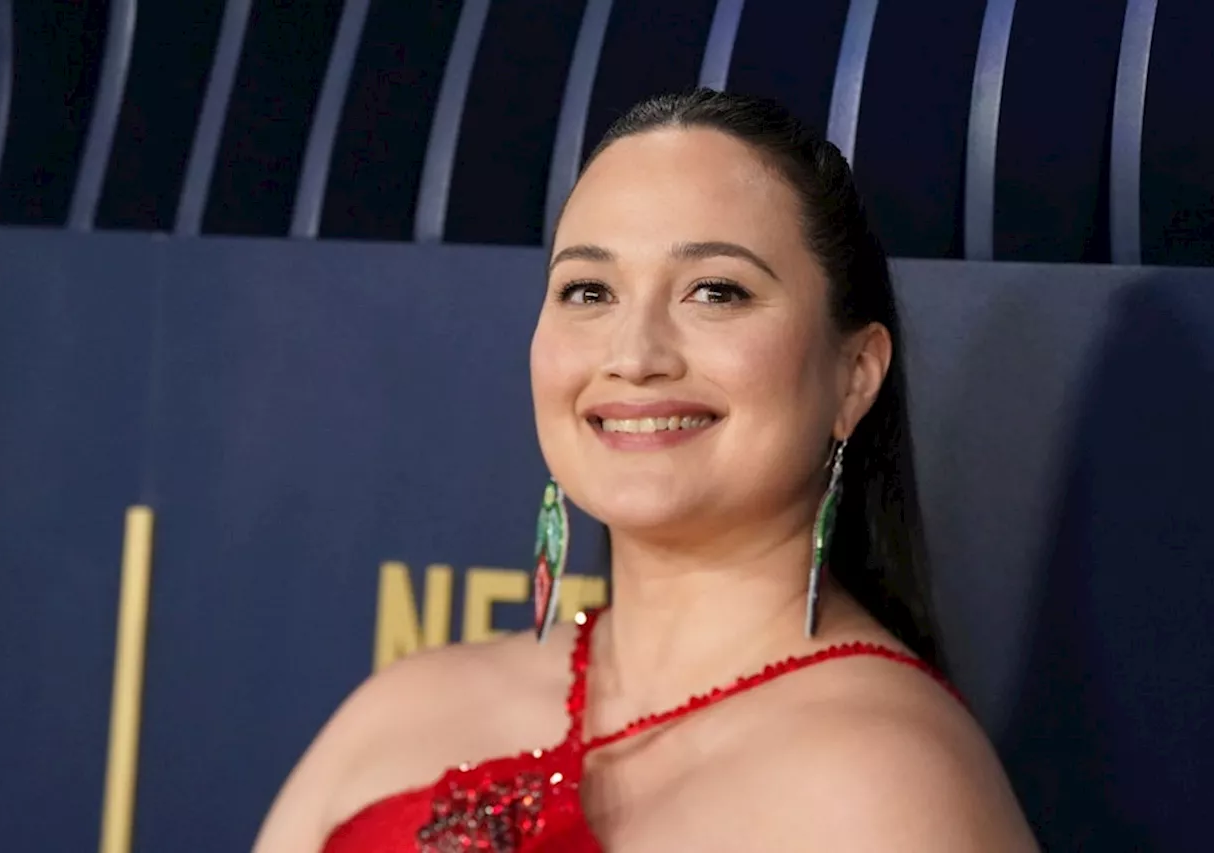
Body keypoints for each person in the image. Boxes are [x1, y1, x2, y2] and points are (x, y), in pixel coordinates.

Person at [253, 89, 1037, 852]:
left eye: (716, 291)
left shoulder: (884, 780)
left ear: (854, 374)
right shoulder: (403, 708)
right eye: (588, 290)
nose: (634, 357)